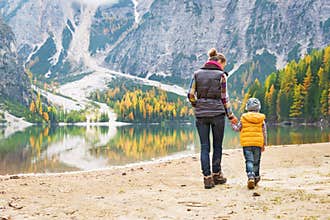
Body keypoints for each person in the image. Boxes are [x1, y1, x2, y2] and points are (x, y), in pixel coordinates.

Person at [187, 48, 238, 189]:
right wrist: (231, 115)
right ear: (219, 62)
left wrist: (197, 104)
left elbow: (190, 95)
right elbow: (224, 97)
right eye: (224, 65)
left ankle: (207, 178)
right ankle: (217, 174)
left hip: (201, 115)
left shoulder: (197, 74)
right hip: (217, 115)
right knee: (217, 146)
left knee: (204, 147)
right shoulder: (221, 75)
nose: (223, 68)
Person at [232, 97, 267, 189]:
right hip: (258, 144)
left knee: (249, 161)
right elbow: (264, 132)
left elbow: (238, 128)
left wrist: (233, 125)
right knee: (256, 161)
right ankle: (256, 177)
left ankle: (250, 176)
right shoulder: (261, 119)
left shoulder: (244, 118)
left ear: (247, 107)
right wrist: (264, 144)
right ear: (258, 108)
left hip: (247, 144)